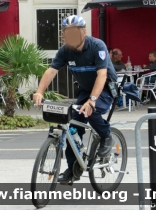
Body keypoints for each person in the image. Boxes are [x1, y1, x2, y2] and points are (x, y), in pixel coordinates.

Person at [33, 15, 117, 183]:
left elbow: (102, 75)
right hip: (85, 91)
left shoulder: (97, 46)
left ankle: (106, 136)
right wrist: (39, 91)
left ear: (83, 32)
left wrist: (92, 100)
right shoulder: (65, 50)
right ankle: (73, 169)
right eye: (66, 33)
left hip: (105, 90)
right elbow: (51, 71)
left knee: (89, 111)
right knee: (71, 128)